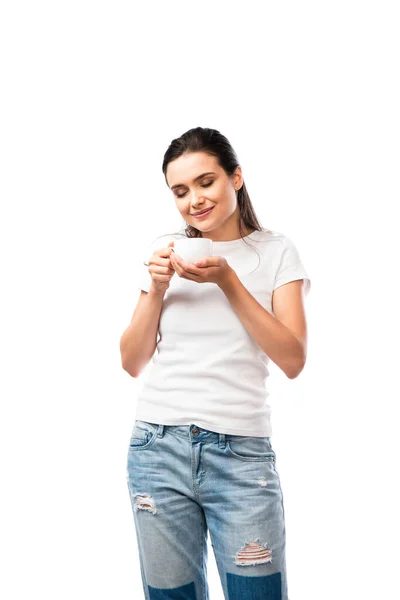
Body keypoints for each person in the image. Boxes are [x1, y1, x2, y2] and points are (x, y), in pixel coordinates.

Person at [120, 126, 311, 600]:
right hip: (156, 448)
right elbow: (131, 361)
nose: (194, 200)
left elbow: (292, 359)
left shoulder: (276, 251)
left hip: (241, 458)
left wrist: (227, 282)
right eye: (180, 191)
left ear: (236, 177)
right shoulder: (167, 250)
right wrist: (157, 289)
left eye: (206, 182)